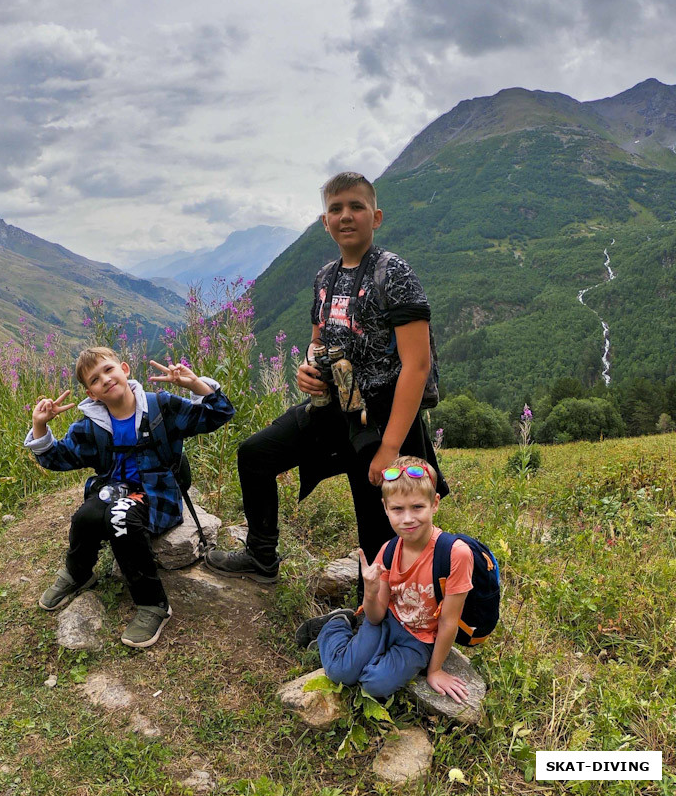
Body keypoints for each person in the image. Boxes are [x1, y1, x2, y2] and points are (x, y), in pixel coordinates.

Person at [205, 171, 447, 591]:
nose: (346, 216)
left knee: (376, 527)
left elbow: (417, 366)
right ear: (324, 221)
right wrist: (305, 366)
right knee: (255, 455)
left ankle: (375, 614)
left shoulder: (395, 274)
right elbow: (318, 339)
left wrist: (389, 450)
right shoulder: (325, 277)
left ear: (377, 217)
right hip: (333, 404)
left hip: (382, 416)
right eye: (336, 208)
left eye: (357, 206)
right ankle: (261, 555)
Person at [24, 347, 234, 648]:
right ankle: (78, 572)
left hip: (157, 494)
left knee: (118, 515)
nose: (105, 380)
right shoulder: (90, 426)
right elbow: (58, 458)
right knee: (86, 516)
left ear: (124, 369)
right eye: (95, 379)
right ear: (91, 393)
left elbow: (219, 413)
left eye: (109, 370)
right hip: (114, 491)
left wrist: (193, 385)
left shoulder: (160, 407)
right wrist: (40, 425)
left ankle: (153, 604)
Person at [296, 456, 471, 701]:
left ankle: (364, 654)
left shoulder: (455, 554)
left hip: (419, 638)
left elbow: (449, 621)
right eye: (397, 509)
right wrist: (370, 591)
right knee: (340, 673)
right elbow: (376, 615)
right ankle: (335, 625)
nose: (408, 518)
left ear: (435, 503)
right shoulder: (388, 551)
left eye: (417, 507)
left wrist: (435, 670)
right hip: (387, 621)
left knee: (374, 685)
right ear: (385, 508)